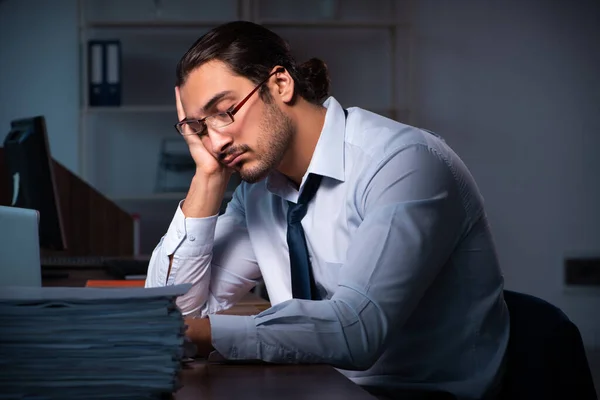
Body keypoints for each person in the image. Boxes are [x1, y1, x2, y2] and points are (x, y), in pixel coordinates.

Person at [145, 20, 509, 400]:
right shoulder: (258, 193)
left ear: (280, 84)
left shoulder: (404, 163)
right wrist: (207, 178)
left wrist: (204, 333)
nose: (216, 140)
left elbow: (357, 331)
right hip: (316, 385)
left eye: (224, 111)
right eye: (199, 127)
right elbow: (167, 312)